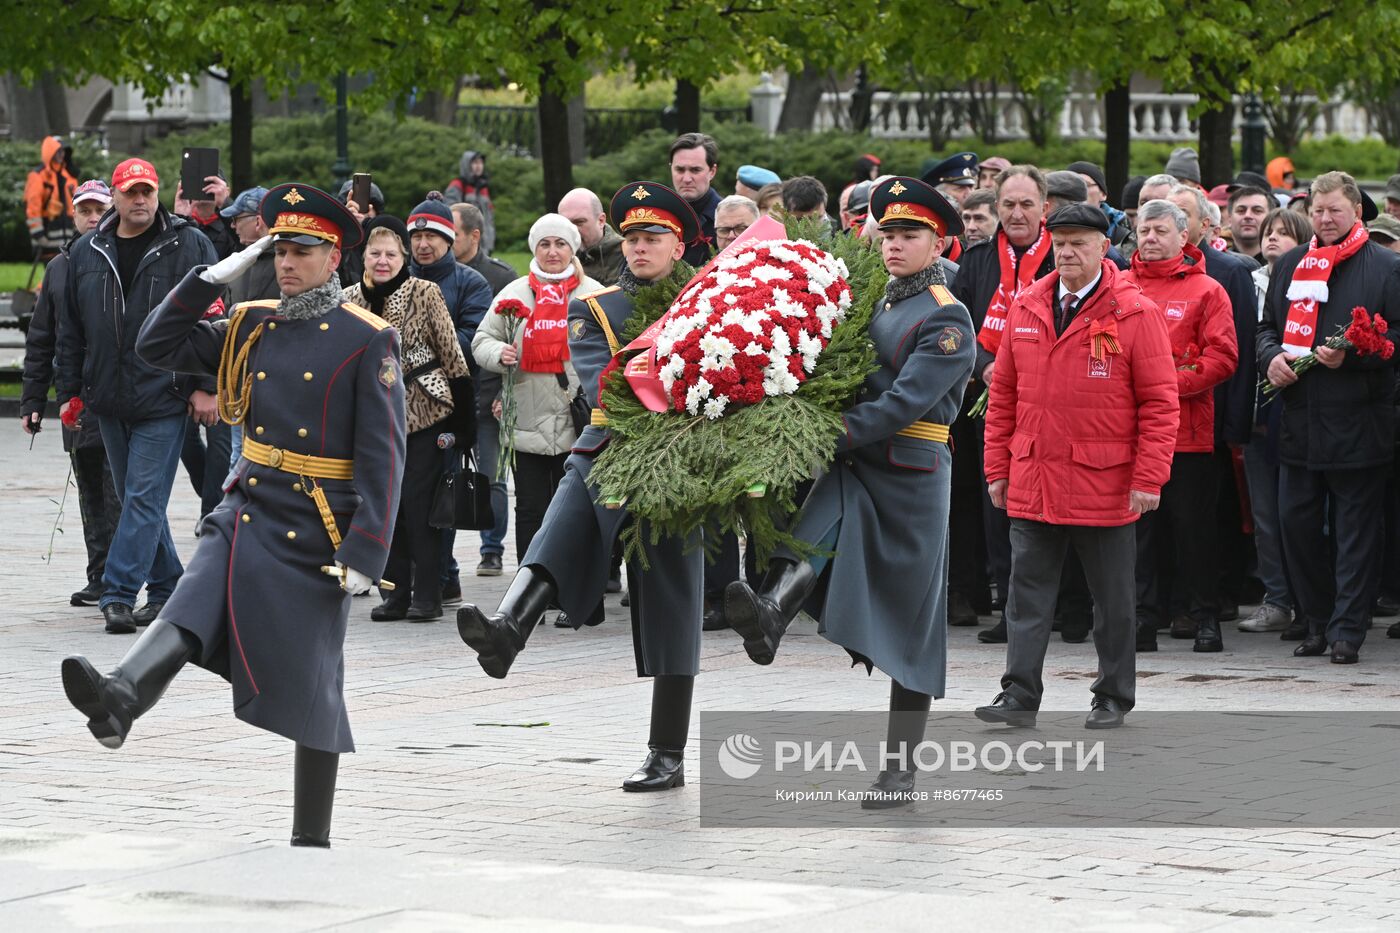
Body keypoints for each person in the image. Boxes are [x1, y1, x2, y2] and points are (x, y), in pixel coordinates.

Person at [61, 182, 405, 848]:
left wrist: (367, 550)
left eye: (302, 251)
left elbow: (384, 454)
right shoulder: (252, 321)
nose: (286, 262)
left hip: (317, 526)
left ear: (334, 257)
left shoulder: (368, 337)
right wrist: (203, 280)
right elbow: (154, 346)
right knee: (190, 602)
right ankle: (123, 693)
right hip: (248, 501)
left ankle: (312, 833)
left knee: (312, 683)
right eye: (279, 250)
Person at [721, 176, 975, 808]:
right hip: (858, 460)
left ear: (938, 241)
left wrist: (817, 435)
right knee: (820, 515)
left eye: (908, 234)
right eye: (886, 232)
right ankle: (772, 608)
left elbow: (903, 403)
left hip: (910, 473)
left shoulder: (946, 313)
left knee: (913, 628)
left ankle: (900, 771)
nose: (893, 244)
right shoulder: (877, 300)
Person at [458, 182, 705, 793]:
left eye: (654, 238)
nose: (640, 248)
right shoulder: (598, 308)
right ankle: (508, 629)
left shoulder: (709, 304)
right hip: (609, 444)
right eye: (633, 238)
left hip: (685, 457)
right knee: (560, 526)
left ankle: (666, 752)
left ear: (679, 246)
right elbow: (605, 386)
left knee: (671, 596)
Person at [977, 203, 1178, 731]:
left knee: (1113, 603)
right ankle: (1018, 695)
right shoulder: (1028, 305)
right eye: (1059, 242)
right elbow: (1004, 397)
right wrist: (997, 468)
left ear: (1103, 246)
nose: (1066, 252)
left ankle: (1113, 695)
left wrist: (1148, 476)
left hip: (1104, 480)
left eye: (1079, 243)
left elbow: (1160, 402)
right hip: (1034, 474)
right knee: (1025, 599)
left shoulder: (1134, 312)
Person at [56, 158, 219, 634]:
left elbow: (212, 321)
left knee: (143, 497)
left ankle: (118, 592)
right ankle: (169, 586)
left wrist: (205, 386)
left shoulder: (189, 242)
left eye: (147, 191)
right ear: (117, 196)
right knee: (135, 501)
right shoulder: (88, 250)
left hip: (165, 393)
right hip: (106, 396)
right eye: (131, 192)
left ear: (159, 190)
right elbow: (72, 329)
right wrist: (69, 392)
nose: (141, 200)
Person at [1259, 171, 1400, 664]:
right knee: (1295, 526)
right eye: (1317, 211)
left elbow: (1397, 340)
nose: (1324, 219)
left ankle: (1347, 630)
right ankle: (1316, 620)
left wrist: (1357, 356)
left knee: (1355, 534)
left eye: (1334, 210)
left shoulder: (1385, 266)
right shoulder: (1294, 263)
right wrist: (1271, 356)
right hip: (1299, 421)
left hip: (1360, 423)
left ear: (1356, 212)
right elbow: (1267, 327)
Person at [1125, 199, 1238, 652]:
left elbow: (1223, 357)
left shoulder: (1208, 290)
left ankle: (1204, 615)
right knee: (1140, 532)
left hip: (1186, 434)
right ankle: (1142, 619)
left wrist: (1163, 386)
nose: (1149, 238)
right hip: (1129, 435)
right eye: (1143, 231)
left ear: (1182, 237)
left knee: (1193, 531)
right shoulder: (1119, 286)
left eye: (1159, 231)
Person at [345, 215, 471, 621]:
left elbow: (452, 355)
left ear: (403, 258)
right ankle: (394, 592)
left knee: (419, 508)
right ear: (363, 256)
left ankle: (428, 594)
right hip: (372, 421)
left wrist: (463, 424)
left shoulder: (425, 291)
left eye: (391, 254)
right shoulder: (349, 299)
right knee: (383, 507)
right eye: (375, 253)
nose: (383, 261)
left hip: (425, 414)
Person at [951, 165, 1056, 643]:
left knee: (1045, 506)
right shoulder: (976, 261)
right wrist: (986, 366)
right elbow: (955, 326)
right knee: (994, 503)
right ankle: (1009, 608)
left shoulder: (1061, 255)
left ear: (1044, 208)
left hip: (1045, 403)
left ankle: (1062, 607)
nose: (1016, 214)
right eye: (1008, 205)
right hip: (986, 399)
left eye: (1026, 204)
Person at [472, 214, 601, 579]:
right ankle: (529, 586)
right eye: (545, 244)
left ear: (572, 248)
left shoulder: (591, 293)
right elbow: (482, 340)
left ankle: (572, 587)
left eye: (560, 243)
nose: (552, 251)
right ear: (535, 248)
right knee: (529, 509)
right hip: (526, 417)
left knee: (576, 509)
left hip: (577, 419)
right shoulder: (513, 293)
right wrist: (500, 355)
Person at [21, 179, 120, 607]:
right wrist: (32, 401)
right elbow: (42, 336)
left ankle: (122, 575)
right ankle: (98, 572)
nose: (93, 217)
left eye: (100, 209)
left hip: (114, 393)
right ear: (74, 216)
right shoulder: (59, 267)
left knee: (117, 487)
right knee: (89, 489)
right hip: (73, 394)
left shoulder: (120, 258)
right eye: (85, 210)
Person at [405, 193, 494, 597]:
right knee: (404, 498)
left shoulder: (470, 282)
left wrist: (414, 344)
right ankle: (425, 576)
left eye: (432, 236)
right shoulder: (395, 278)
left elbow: (472, 343)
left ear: (449, 239)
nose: (423, 244)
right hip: (398, 406)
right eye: (416, 236)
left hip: (447, 407)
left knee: (438, 496)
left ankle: (439, 579)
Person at [1237, 207, 1313, 636]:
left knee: (1301, 516)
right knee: (1266, 518)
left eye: (1284, 233)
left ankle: (1310, 601)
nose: (1272, 239)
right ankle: (1277, 598)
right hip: (1256, 418)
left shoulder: (1312, 283)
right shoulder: (1245, 284)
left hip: (1299, 418)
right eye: (1269, 232)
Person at [448, 200, 516, 578]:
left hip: (487, 391)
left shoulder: (500, 278)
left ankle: (492, 548)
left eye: (452, 234)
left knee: (491, 476)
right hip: (447, 394)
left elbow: (510, 339)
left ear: (474, 236)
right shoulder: (432, 274)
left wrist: (502, 392)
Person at [669, 132, 721, 265]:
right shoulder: (657, 215)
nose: (686, 179)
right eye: (680, 170)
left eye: (695, 170)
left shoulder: (728, 219)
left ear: (712, 172)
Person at [558, 188, 625, 287]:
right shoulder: (556, 257)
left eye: (579, 222)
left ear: (601, 221)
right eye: (566, 224)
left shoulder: (627, 254)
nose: (572, 230)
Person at [25, 135, 78, 248]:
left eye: (63, 151)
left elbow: (76, 204)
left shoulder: (69, 176)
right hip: (47, 234)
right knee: (51, 264)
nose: (61, 154)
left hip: (68, 233)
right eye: (58, 151)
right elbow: (33, 206)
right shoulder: (38, 176)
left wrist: (77, 229)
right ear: (50, 152)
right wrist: (38, 234)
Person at [444, 150, 496, 255]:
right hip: (464, 244)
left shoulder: (483, 188)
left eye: (481, 163)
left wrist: (490, 240)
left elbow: (489, 218)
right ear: (466, 165)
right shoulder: (457, 185)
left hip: (484, 244)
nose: (478, 166)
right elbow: (450, 213)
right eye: (475, 163)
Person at [1227, 186, 1273, 263]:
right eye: (1241, 210)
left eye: (1257, 211)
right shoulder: (1214, 264)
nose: (1248, 216)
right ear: (1229, 219)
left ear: (1270, 218)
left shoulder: (1282, 265)